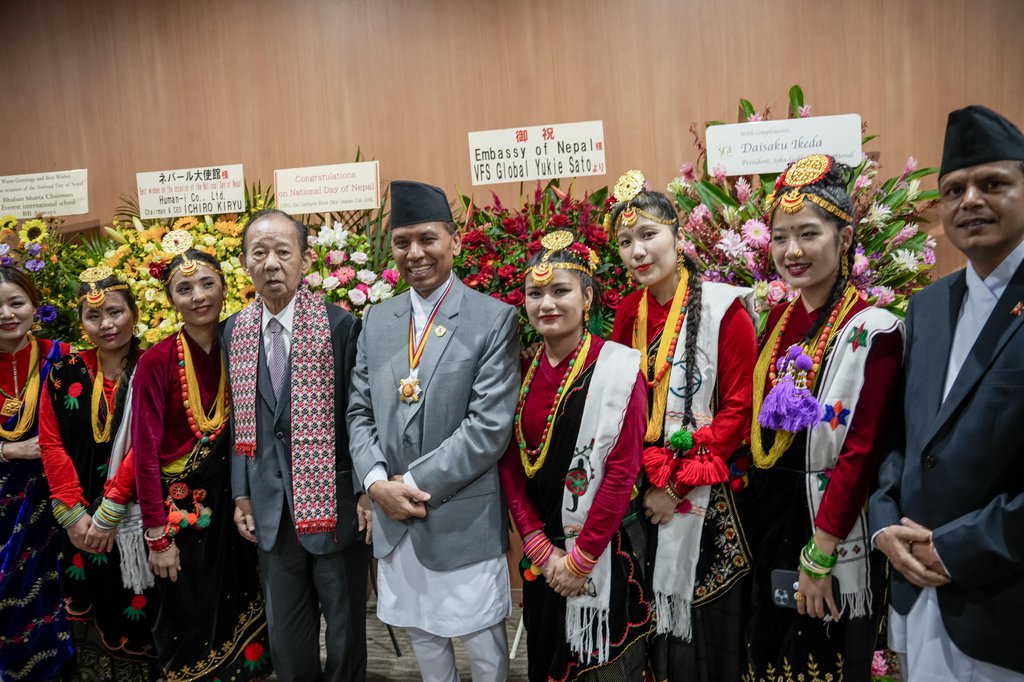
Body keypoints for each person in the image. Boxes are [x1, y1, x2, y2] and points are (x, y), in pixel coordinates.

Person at [870, 105, 1024, 679]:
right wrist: (884, 522)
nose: (970, 201)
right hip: (916, 590)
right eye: (954, 189)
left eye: (993, 184)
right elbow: (903, 436)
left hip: (1001, 600)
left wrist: (960, 546)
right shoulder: (928, 306)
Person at [348, 180, 519, 682]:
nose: (414, 253)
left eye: (427, 239)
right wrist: (377, 483)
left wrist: (409, 485)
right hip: (394, 519)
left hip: (457, 514)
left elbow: (488, 429)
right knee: (424, 638)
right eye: (402, 242)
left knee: (484, 647)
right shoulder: (377, 320)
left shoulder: (492, 318)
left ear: (455, 242)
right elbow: (358, 413)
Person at [745, 155, 903, 681]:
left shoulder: (871, 331)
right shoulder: (778, 321)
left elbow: (860, 451)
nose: (792, 251)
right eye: (780, 236)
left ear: (844, 237)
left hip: (827, 527)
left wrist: (821, 552)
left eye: (808, 233)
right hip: (771, 520)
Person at [99, 231, 270, 680]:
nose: (198, 297)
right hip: (183, 513)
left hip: (237, 503)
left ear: (225, 286)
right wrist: (157, 536)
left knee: (245, 604)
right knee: (187, 614)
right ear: (170, 300)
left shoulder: (244, 344)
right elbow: (148, 456)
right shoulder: (156, 362)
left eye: (207, 284)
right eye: (184, 289)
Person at [607, 171, 757, 682]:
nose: (637, 252)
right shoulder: (629, 311)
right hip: (647, 486)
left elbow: (739, 409)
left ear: (677, 234)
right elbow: (625, 405)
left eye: (648, 235)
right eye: (625, 242)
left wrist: (676, 483)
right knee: (657, 624)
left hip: (710, 494)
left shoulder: (723, 309)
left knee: (706, 630)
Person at [498, 231, 653, 681]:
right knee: (546, 662)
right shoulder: (521, 371)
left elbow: (622, 473)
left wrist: (579, 559)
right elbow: (509, 462)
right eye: (535, 293)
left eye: (560, 291)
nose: (546, 303)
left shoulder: (619, 370)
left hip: (601, 549)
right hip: (544, 556)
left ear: (587, 298)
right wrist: (538, 546)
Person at [226, 208, 370, 681]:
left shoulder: (339, 326)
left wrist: (366, 489)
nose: (271, 263)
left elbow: (359, 416)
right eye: (259, 253)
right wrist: (240, 492)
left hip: (332, 502)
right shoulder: (236, 331)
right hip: (268, 508)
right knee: (287, 635)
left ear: (305, 260)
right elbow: (239, 424)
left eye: (283, 252)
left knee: (346, 628)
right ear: (245, 263)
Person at [39, 267, 160, 679]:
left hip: (138, 516)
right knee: (91, 602)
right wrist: (73, 513)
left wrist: (109, 511)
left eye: (115, 312)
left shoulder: (154, 366)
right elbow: (51, 443)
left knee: (141, 607)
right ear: (81, 323)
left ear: (135, 313)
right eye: (95, 317)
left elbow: (147, 445)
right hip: (80, 519)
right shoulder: (63, 372)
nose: (106, 324)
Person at [0, 266, 73, 681]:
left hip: (52, 500)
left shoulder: (60, 356)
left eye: (16, 303)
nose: (8, 315)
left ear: (33, 305)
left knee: (51, 587)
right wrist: (9, 449)